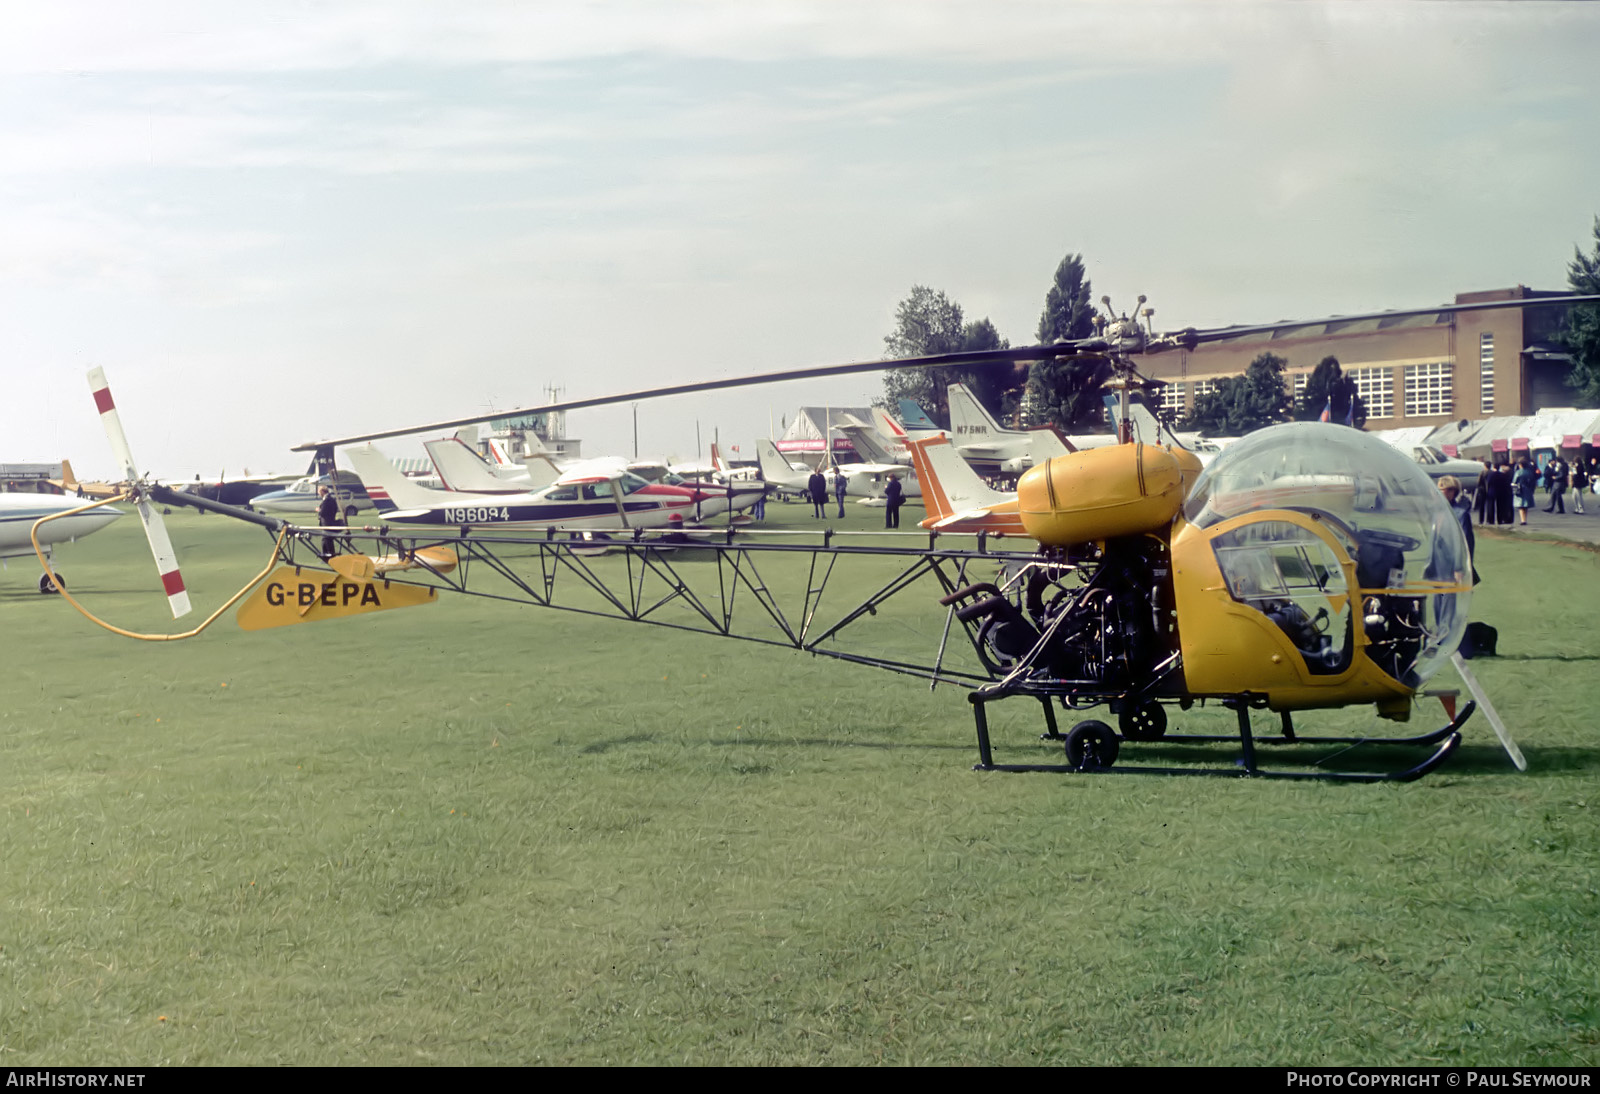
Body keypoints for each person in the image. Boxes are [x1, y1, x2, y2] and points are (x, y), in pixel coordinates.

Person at [1439, 476, 1478, 585]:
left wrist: (1460, 568)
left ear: (1452, 492)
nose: (1438, 492)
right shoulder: (1437, 512)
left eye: (1442, 489)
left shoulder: (1461, 515)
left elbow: (1466, 544)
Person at [316, 484, 343, 559]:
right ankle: (327, 555)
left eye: (319, 492)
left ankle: (328, 556)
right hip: (330, 521)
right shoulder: (332, 499)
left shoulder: (327, 500)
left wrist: (319, 510)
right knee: (326, 540)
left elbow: (323, 512)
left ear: (322, 491)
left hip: (327, 523)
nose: (319, 494)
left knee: (327, 539)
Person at [1511, 457, 1537, 526]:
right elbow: (1533, 481)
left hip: (1520, 489)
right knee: (1525, 505)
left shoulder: (1518, 472)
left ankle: (1522, 520)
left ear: (1520, 464)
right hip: (1528, 489)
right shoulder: (1529, 472)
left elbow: (1514, 481)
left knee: (1521, 506)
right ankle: (1525, 519)